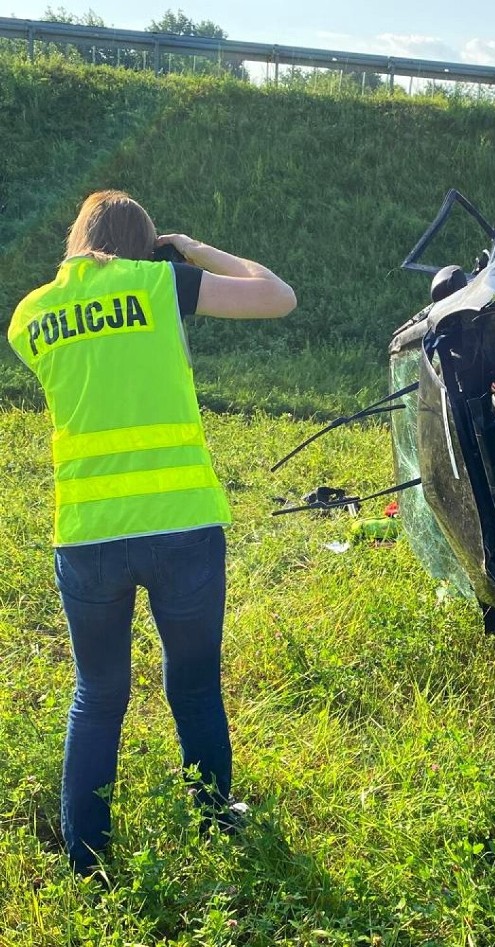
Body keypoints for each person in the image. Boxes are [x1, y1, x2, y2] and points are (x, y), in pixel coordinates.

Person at [6, 189, 296, 876]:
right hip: (182, 526)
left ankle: (86, 857)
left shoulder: (30, 316)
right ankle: (214, 820)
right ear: (145, 247)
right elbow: (276, 294)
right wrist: (192, 249)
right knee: (194, 684)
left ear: (76, 237)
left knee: (96, 693)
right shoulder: (159, 284)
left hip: (86, 534)